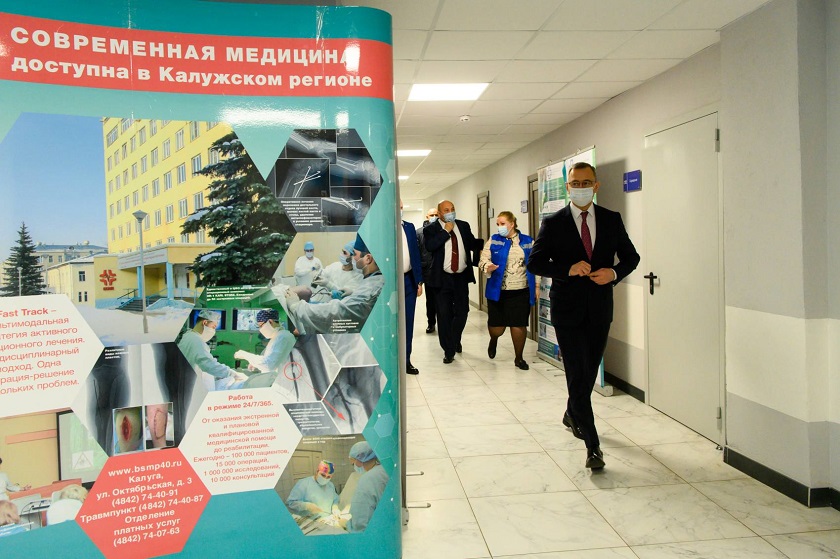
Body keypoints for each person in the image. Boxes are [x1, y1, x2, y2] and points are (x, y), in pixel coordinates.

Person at [527, 162, 640, 470]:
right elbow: (535, 262)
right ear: (567, 187)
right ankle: (593, 445)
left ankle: (571, 412)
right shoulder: (554, 223)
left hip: (600, 309)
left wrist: (613, 273)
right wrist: (567, 269)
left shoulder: (611, 219)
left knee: (587, 373)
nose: (580, 188)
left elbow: (631, 257)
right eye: (575, 183)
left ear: (596, 185)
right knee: (577, 374)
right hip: (567, 310)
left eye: (586, 182)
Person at [285, 235, 384, 335]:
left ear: (368, 259)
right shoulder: (371, 281)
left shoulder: (367, 286)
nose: (353, 258)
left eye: (354, 254)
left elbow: (338, 312)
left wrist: (297, 307)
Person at [479, 211, 536, 370]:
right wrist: (487, 266)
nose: (499, 227)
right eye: (498, 224)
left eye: (502, 224)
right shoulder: (494, 240)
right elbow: (483, 260)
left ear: (512, 224)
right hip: (498, 289)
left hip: (520, 290)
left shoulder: (527, 241)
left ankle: (519, 358)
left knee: (519, 324)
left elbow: (535, 264)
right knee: (497, 327)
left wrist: (537, 286)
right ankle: (494, 340)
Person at [423, 200, 478, 363]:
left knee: (462, 312)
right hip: (442, 278)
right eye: (446, 210)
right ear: (439, 213)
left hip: (461, 277)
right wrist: (446, 231)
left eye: (452, 209)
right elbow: (431, 246)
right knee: (444, 315)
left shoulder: (463, 226)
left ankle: (454, 339)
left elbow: (472, 243)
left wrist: (488, 244)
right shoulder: (431, 229)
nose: (450, 212)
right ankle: (448, 350)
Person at [177, 310, 248, 390]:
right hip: (189, 386)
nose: (214, 331)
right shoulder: (196, 340)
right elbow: (209, 364)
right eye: (213, 327)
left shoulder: (188, 336)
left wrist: (217, 376)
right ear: (205, 323)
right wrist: (232, 374)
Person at [233, 309, 296, 385]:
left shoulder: (283, 337)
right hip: (276, 379)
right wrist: (254, 363)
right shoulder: (277, 337)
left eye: (261, 325)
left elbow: (268, 365)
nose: (260, 329)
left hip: (283, 382)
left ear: (270, 322)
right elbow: (267, 358)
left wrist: (245, 355)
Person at [344, 441, 388, 533]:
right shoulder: (384, 471)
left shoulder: (367, 479)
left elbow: (360, 523)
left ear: (359, 460)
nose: (353, 466)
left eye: (353, 462)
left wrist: (346, 524)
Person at [401, 200, 423, 375]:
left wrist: (419, 281)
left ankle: (406, 360)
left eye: (402, 207)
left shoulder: (409, 227)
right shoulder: (383, 229)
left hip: (409, 279)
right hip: (390, 282)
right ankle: (392, 361)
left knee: (408, 321)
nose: (400, 210)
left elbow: (415, 254)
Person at [417, 208, 438, 334]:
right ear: (427, 216)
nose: (434, 217)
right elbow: (417, 253)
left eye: (436, 214)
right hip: (427, 271)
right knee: (431, 300)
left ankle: (444, 322)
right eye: (432, 215)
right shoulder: (420, 233)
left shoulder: (443, 230)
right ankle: (431, 322)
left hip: (441, 271)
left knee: (443, 300)